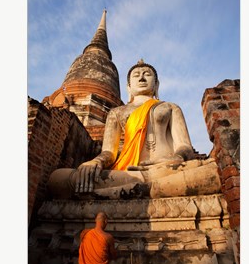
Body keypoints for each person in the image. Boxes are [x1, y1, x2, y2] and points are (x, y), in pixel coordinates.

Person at [48, 60, 221, 199]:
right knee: (59, 178)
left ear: (157, 84)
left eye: (147, 74)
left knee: (213, 172)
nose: (142, 78)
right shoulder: (117, 112)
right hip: (127, 172)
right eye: (136, 75)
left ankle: (118, 193)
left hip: (168, 170)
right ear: (128, 88)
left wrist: (175, 158)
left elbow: (185, 147)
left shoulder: (170, 107)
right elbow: (109, 152)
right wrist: (96, 162)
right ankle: (143, 188)